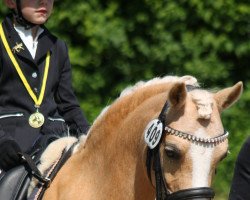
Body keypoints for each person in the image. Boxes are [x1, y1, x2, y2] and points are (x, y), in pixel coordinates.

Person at [0, 0, 89, 172]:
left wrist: (93, 136)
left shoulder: (58, 46)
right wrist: (2, 141)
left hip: (56, 145)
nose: (44, 2)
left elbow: (68, 106)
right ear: (11, 2)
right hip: (10, 149)